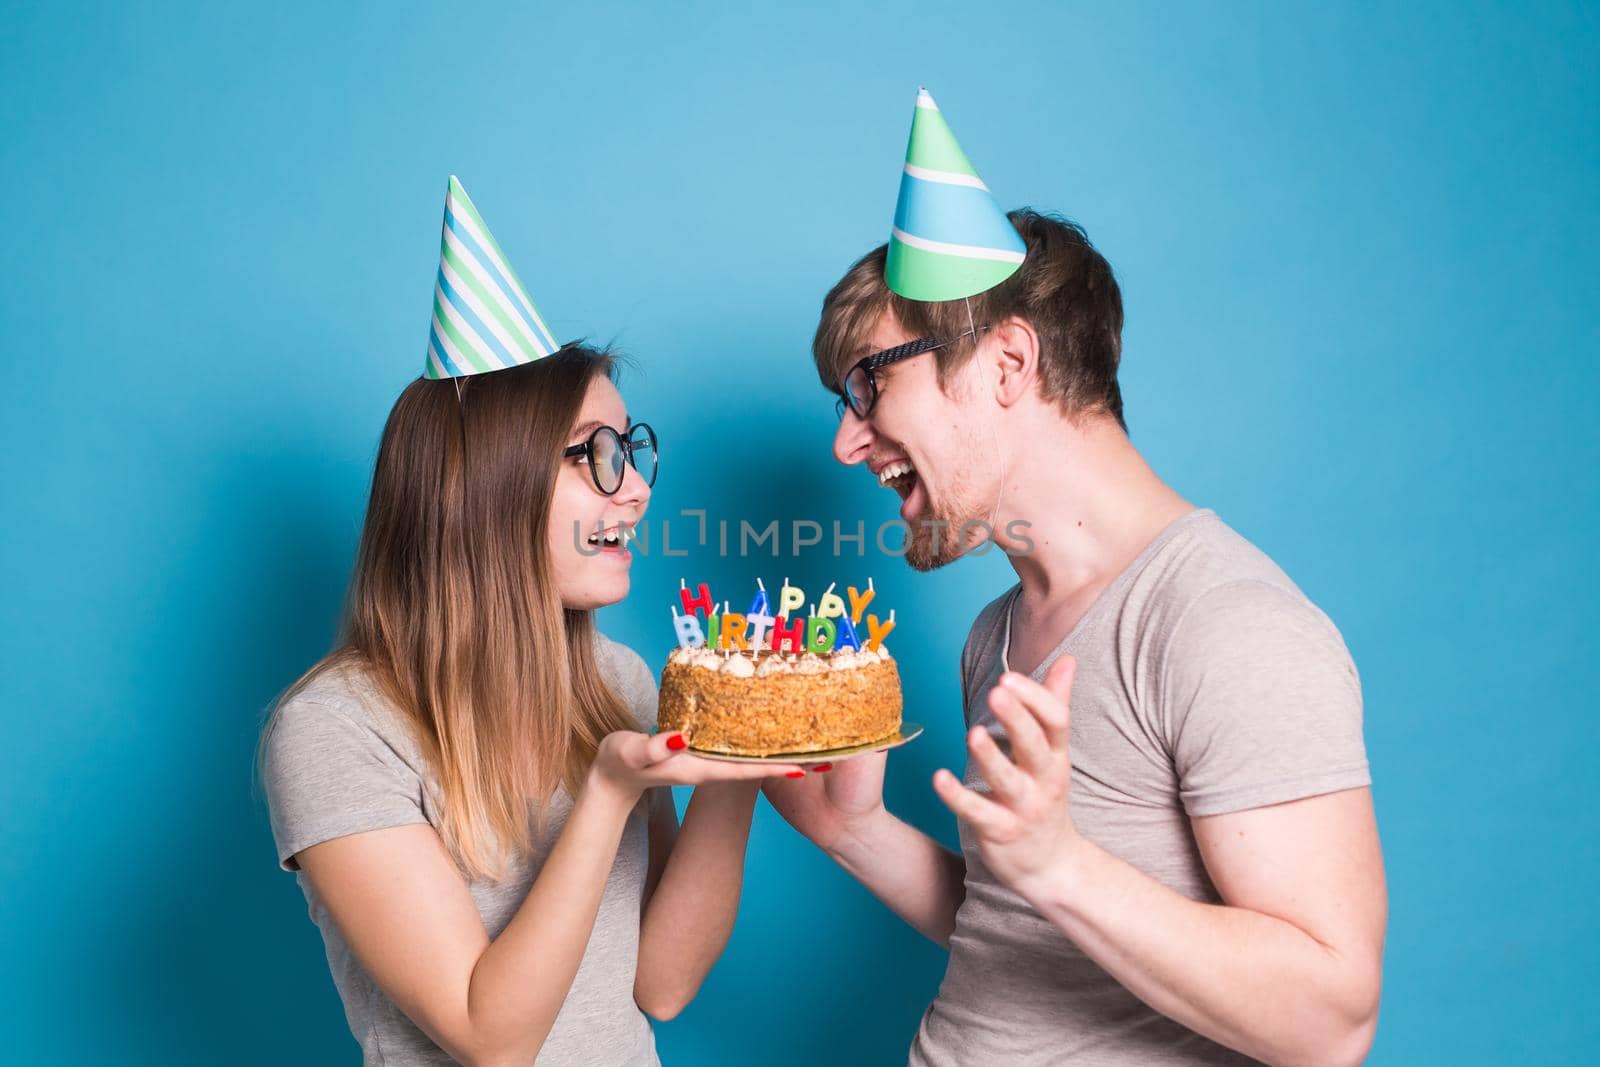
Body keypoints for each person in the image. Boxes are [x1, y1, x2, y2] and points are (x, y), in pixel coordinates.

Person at [764, 90, 1387, 1066]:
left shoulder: (1227, 625)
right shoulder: (998, 630)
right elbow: (1021, 933)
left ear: (1007, 360)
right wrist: (855, 830)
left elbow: (1330, 1017)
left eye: (868, 384)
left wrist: (1059, 864)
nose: (848, 441)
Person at [260, 177, 806, 1066]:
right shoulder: (335, 730)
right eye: (597, 454)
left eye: (632, 452)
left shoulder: (619, 681)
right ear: (485, 489)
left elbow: (660, 981)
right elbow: (492, 1036)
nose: (634, 486)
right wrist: (607, 790)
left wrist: (738, 762)